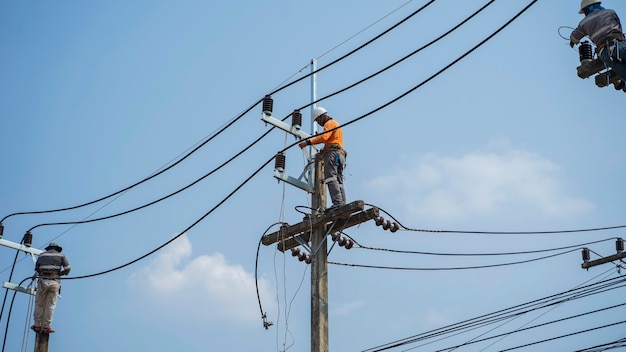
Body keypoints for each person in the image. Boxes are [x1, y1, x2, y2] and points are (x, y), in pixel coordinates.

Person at [298, 106, 347, 209]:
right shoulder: (336, 124)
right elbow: (332, 140)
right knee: (338, 179)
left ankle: (337, 202)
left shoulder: (329, 124)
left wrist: (307, 142)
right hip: (340, 154)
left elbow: (324, 137)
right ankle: (342, 203)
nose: (318, 123)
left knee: (330, 177)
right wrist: (325, 149)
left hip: (333, 155)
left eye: (317, 120)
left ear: (321, 117)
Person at [570, 0, 626, 83]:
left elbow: (574, 37)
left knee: (623, 71)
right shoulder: (610, 12)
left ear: (586, 9)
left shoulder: (584, 22)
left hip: (604, 53)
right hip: (618, 44)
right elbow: (620, 30)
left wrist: (572, 42)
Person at [32, 242, 71, 333]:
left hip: (43, 281)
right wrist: (60, 273)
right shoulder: (61, 256)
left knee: (39, 303)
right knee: (50, 305)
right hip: (55, 282)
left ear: (48, 248)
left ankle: (37, 325)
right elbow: (68, 268)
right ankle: (46, 327)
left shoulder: (42, 255)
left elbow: (37, 268)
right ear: (57, 249)